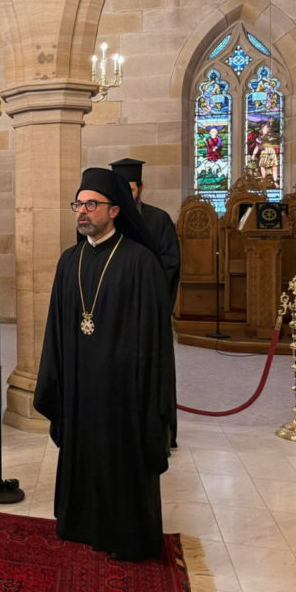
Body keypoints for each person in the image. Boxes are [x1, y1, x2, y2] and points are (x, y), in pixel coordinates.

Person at [34, 168, 175, 560]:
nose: (82, 211)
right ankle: (79, 522)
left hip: (123, 390)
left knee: (120, 457)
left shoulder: (140, 261)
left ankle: (124, 533)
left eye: (90, 204)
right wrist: (56, 378)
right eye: (78, 204)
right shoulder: (69, 261)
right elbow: (58, 330)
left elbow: (153, 338)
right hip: (80, 384)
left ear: (115, 210)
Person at [111, 157, 181, 448]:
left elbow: (171, 263)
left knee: (153, 371)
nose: (128, 194)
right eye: (121, 189)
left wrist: (149, 301)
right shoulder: (109, 220)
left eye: (131, 188)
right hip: (114, 313)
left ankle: (159, 434)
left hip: (149, 312)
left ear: (140, 188)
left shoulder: (158, 219)